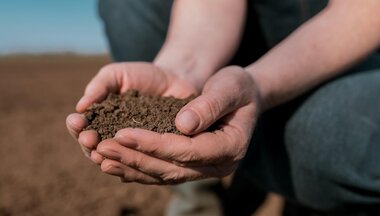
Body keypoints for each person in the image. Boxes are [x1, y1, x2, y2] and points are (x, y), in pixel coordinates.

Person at [66, 0, 380, 215]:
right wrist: (184, 68)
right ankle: (206, 191)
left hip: (355, 44)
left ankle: (296, 186)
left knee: (318, 136)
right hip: (263, 28)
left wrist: (258, 84)